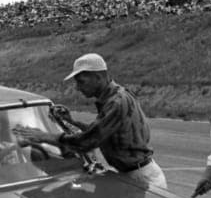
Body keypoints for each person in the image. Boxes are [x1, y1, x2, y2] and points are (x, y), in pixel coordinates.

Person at [18, 53, 167, 190]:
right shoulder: (116, 97)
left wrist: (44, 137)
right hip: (134, 173)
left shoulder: (116, 103)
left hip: (142, 178)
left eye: (81, 82)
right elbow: (103, 131)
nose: (78, 88)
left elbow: (87, 142)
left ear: (98, 77)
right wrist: (72, 122)